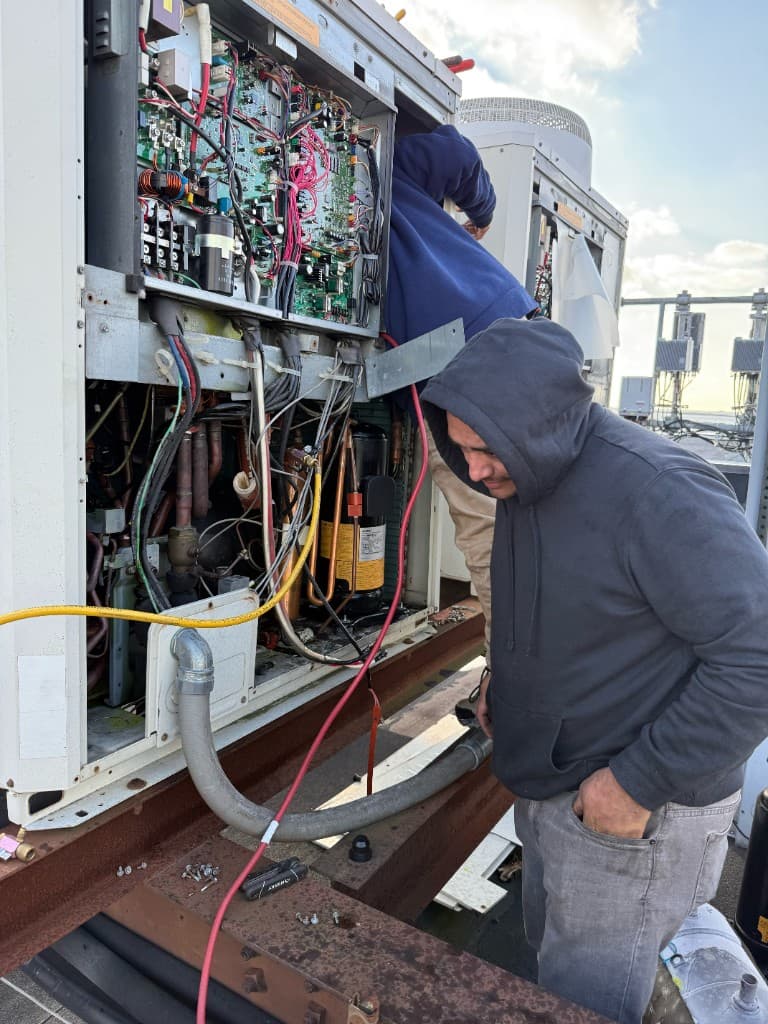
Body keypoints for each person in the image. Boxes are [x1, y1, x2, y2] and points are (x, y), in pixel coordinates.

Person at [420, 315, 768, 1024]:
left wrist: (634, 787)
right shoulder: (529, 474)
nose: (476, 471)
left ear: (540, 426)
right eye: (462, 450)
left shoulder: (659, 491)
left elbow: (757, 657)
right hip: (558, 787)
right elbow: (565, 609)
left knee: (586, 1000)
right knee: (554, 969)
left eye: (486, 450)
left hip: (636, 815)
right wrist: (504, 679)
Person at [385, 124, 538, 648]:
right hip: (502, 330)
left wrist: (483, 211)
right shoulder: (389, 170)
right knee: (525, 520)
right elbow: (455, 156)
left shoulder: (377, 168)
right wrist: (480, 211)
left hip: (465, 354)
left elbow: (455, 150)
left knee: (491, 531)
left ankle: (515, 685)